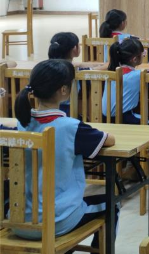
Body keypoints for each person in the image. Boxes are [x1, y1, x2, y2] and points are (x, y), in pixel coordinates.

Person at [11, 59, 116, 244]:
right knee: (114, 203)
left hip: (18, 219)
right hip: (56, 220)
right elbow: (109, 140)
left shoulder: (21, 124)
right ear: (64, 90)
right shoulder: (71, 127)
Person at [104, 37, 147, 124]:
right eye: (142, 53)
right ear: (135, 59)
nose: (144, 55)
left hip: (105, 119)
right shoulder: (138, 75)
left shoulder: (111, 72)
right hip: (124, 119)